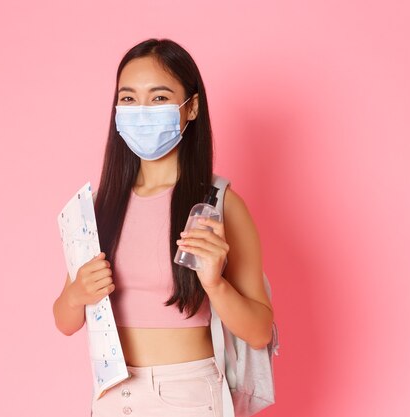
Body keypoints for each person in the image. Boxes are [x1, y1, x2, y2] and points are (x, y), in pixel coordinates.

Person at [53, 38, 274, 417]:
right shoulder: (97, 208)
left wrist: (215, 283)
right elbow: (65, 321)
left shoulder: (218, 205)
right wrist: (76, 295)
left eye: (158, 98)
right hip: (111, 396)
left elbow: (259, 332)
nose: (141, 111)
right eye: (128, 99)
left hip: (186, 396)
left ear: (191, 108)